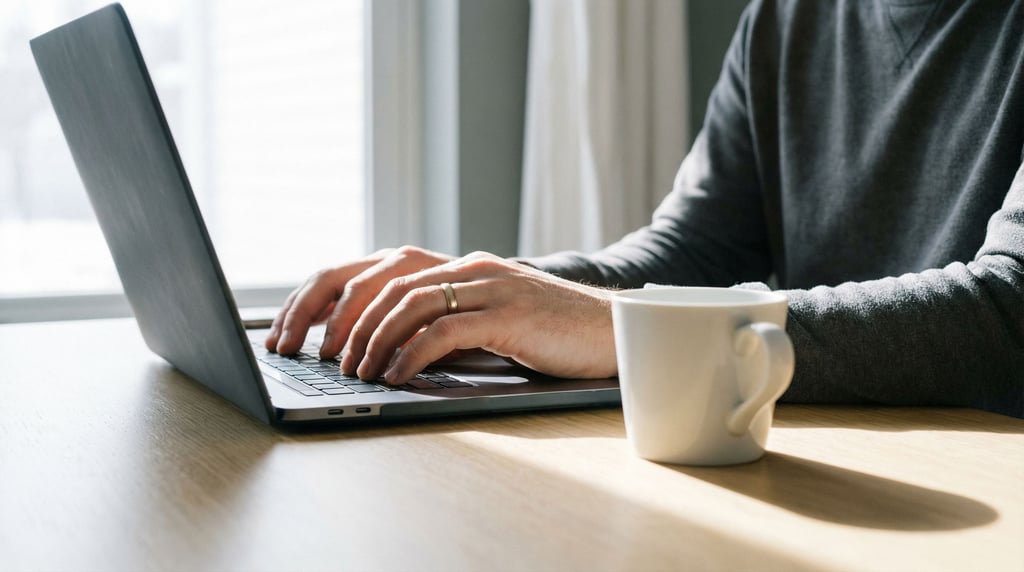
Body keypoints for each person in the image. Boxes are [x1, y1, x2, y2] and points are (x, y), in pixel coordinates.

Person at [266, 0, 1024, 419]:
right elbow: (694, 250)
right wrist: (493, 299)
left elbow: (1009, 310)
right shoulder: (785, 21)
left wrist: (626, 328)